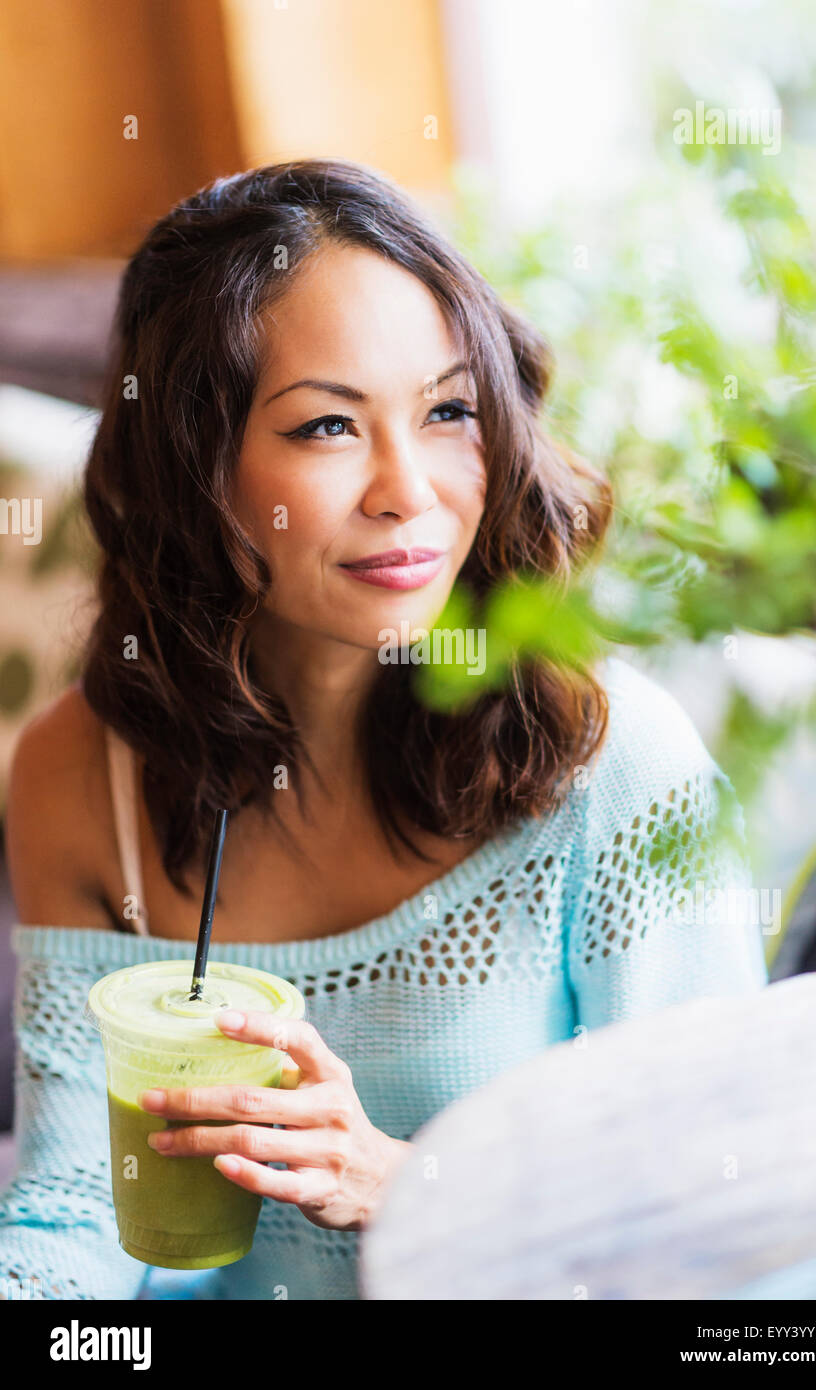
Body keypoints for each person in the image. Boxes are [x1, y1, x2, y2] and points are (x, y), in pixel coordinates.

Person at [2, 159, 767, 1301]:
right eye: (327, 427)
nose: (408, 489)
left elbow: (733, 1225)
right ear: (191, 466)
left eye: (448, 410)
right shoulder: (85, 771)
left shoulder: (613, 762)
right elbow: (76, 1208)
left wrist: (409, 1184)